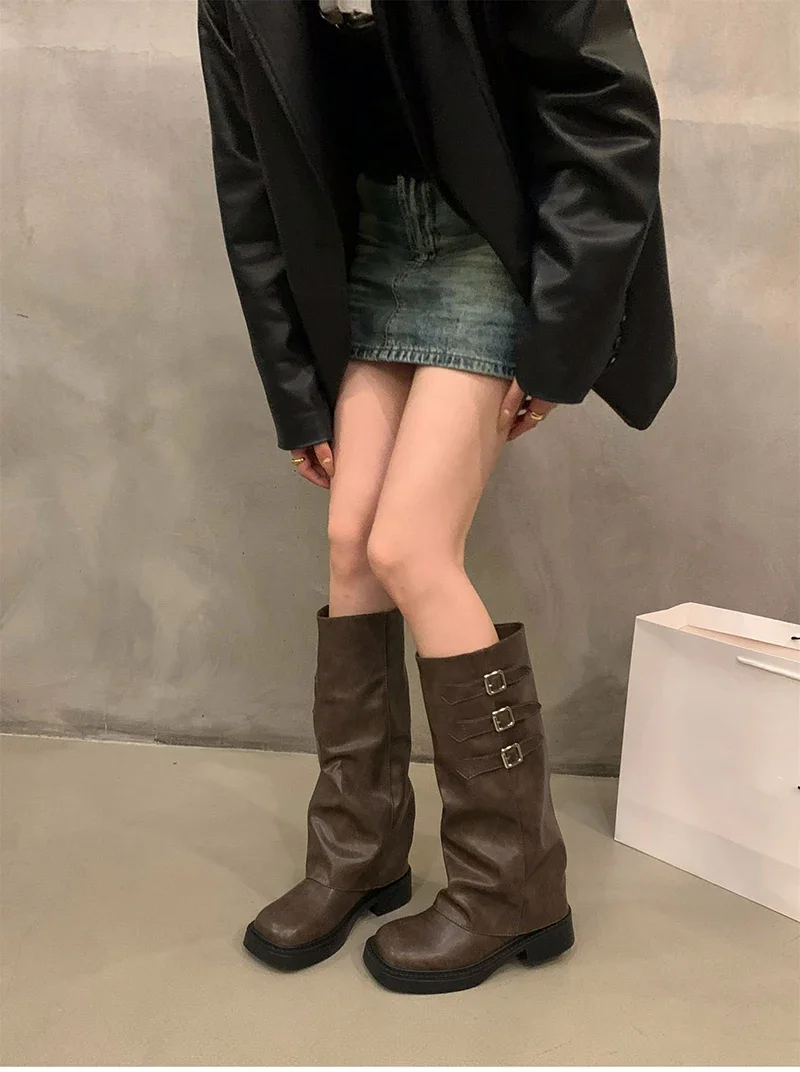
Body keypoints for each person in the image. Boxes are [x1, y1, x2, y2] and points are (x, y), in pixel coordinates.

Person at [197, 0, 675, 995]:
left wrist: (560, 337)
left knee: (410, 547)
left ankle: (513, 881)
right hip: (371, 250)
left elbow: (605, 113)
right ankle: (360, 847)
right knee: (350, 541)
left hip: (489, 250)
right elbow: (250, 179)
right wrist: (295, 392)